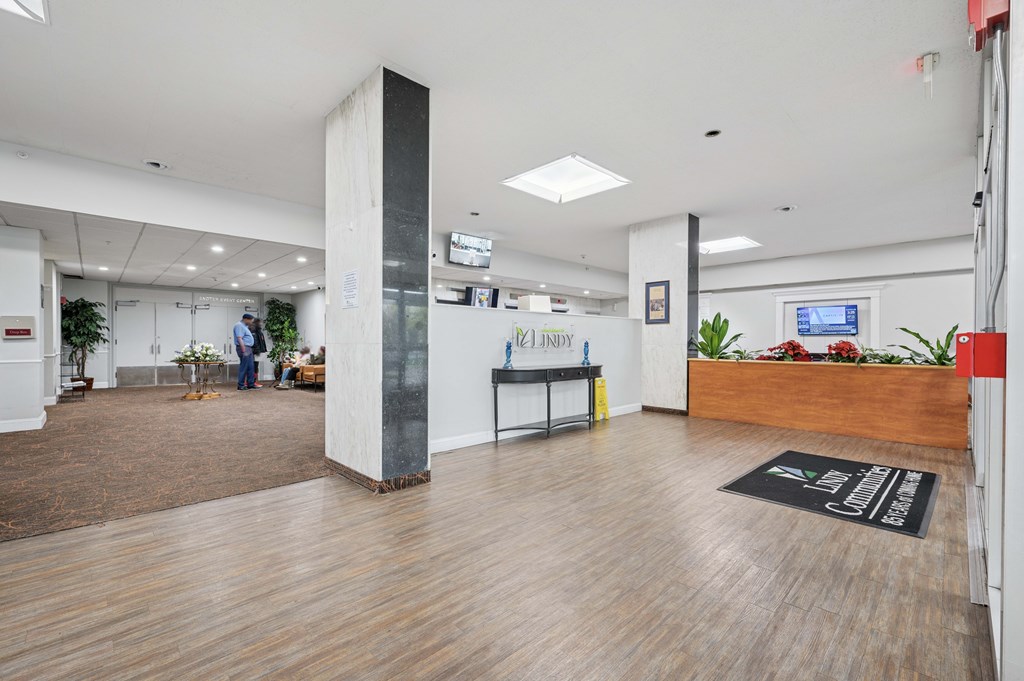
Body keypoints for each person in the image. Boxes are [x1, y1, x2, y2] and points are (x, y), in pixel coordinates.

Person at [233, 313, 260, 391]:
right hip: (244, 348)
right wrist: (243, 349)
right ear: (246, 319)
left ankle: (250, 384)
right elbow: (239, 338)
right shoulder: (239, 325)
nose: (251, 322)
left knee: (250, 367)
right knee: (244, 367)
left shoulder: (244, 326)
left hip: (248, 348)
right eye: (251, 320)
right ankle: (241, 385)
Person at [251, 318, 268, 388]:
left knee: (256, 367)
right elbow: (255, 342)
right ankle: (252, 382)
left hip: (259, 351)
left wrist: (264, 349)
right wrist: (257, 350)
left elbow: (262, 341)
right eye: (259, 322)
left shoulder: (259, 331)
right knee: (253, 367)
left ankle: (254, 381)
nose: (261, 323)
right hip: (255, 352)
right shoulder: (254, 331)